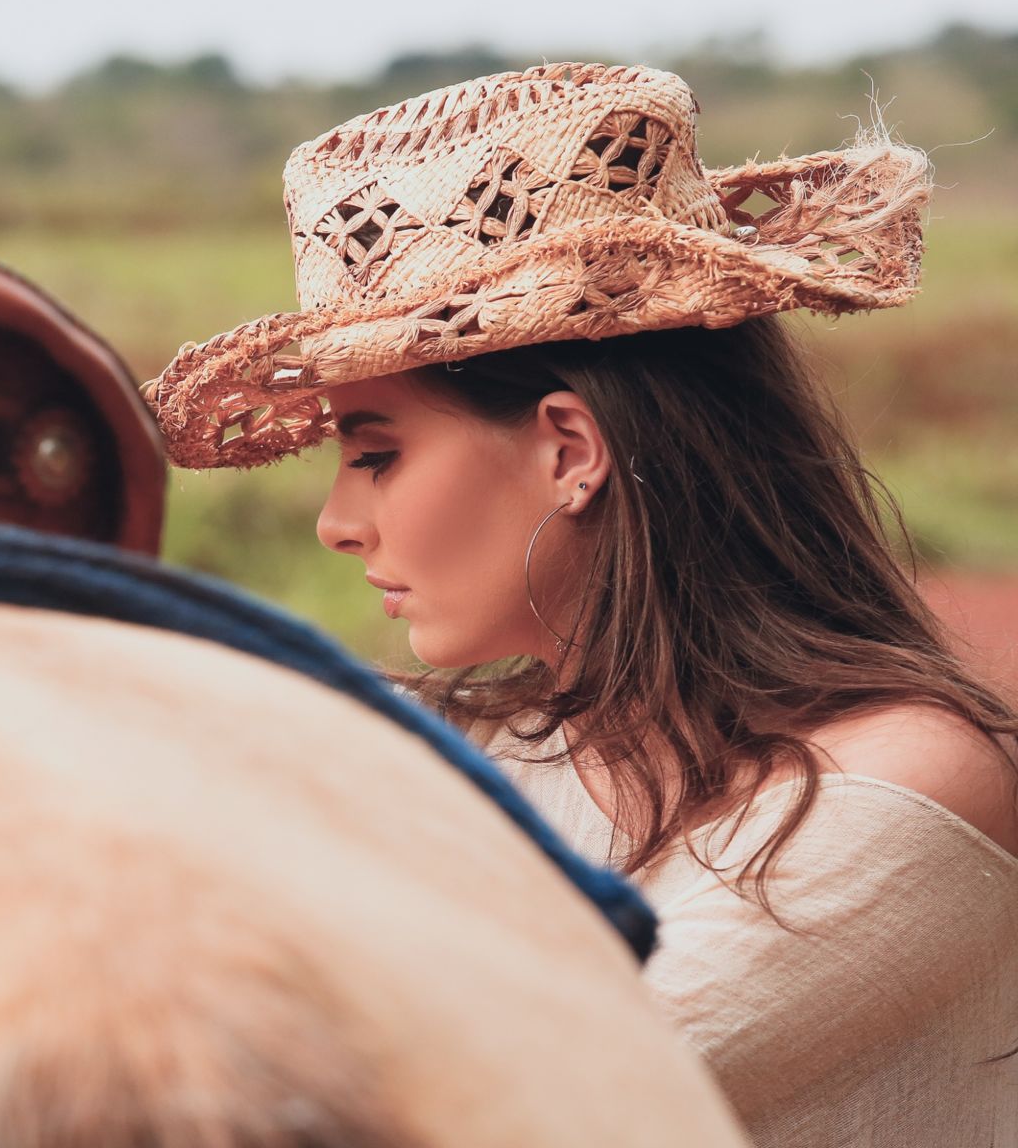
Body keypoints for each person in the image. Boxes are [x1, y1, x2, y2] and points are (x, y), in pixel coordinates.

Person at [146, 62, 1018, 1145]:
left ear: (569, 448)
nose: (337, 520)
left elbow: (491, 1102)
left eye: (376, 454)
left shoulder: (903, 790)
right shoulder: (472, 745)